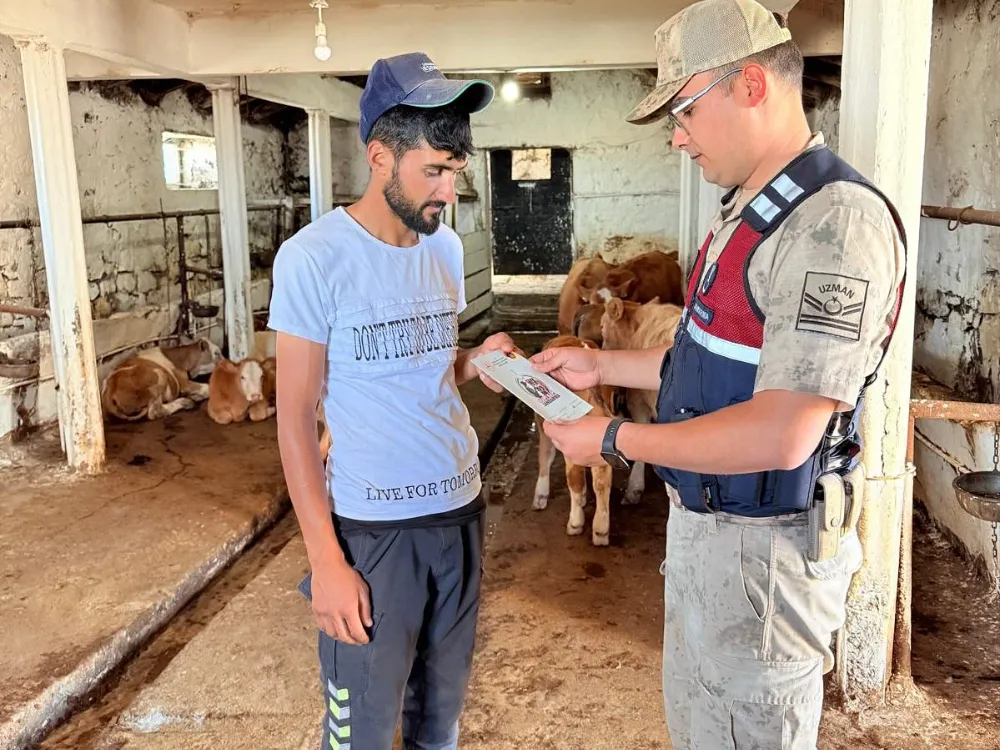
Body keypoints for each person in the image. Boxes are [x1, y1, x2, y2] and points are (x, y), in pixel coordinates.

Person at [532, 1, 907, 747]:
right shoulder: (746, 215)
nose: (677, 136)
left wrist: (612, 438)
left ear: (750, 86)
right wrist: (600, 361)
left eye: (684, 110)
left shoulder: (831, 226)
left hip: (766, 552)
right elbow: (709, 363)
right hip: (711, 529)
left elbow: (783, 431)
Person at [268, 52, 519, 750]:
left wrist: (476, 361)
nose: (447, 191)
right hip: (375, 531)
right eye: (433, 171)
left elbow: (425, 367)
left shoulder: (443, 249)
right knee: (364, 734)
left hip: (460, 514)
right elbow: (294, 420)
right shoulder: (314, 259)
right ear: (380, 155)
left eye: (455, 171)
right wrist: (326, 562)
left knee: (439, 724)